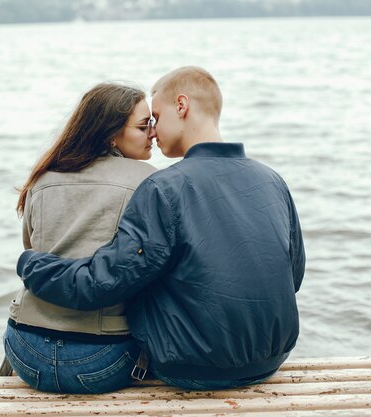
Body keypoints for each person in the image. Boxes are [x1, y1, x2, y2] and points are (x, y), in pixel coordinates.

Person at [16, 66, 306, 391]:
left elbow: (106, 280)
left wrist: (31, 264)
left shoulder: (163, 187)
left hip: (188, 367)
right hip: (271, 359)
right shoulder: (272, 180)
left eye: (156, 115)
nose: (153, 131)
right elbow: (293, 276)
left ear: (181, 106)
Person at [2, 82, 156, 394]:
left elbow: (32, 253)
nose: (153, 132)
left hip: (24, 353)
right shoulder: (147, 180)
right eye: (144, 125)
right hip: (101, 361)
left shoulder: (42, 178)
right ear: (110, 132)